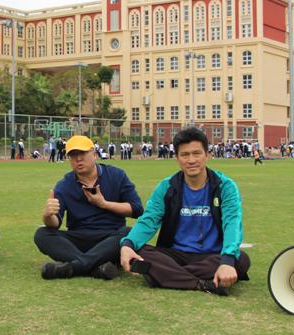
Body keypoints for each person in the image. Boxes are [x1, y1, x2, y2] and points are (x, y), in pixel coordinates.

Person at [119, 127, 250, 296]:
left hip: (212, 255)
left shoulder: (225, 186)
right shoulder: (167, 187)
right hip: (176, 254)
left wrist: (227, 260)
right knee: (140, 251)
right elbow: (149, 220)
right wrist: (127, 245)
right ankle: (202, 284)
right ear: (177, 158)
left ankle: (163, 275)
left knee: (241, 259)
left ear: (207, 155)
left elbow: (232, 222)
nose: (191, 160)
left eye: (197, 153)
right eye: (185, 155)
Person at [35, 135, 143, 280]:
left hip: (110, 237)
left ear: (94, 154)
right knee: (42, 234)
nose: (78, 159)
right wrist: (48, 215)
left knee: (129, 233)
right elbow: (55, 224)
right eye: (73, 155)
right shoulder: (64, 185)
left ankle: (73, 267)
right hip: (79, 239)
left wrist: (104, 204)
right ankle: (96, 267)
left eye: (83, 153)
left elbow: (137, 209)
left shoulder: (116, 175)